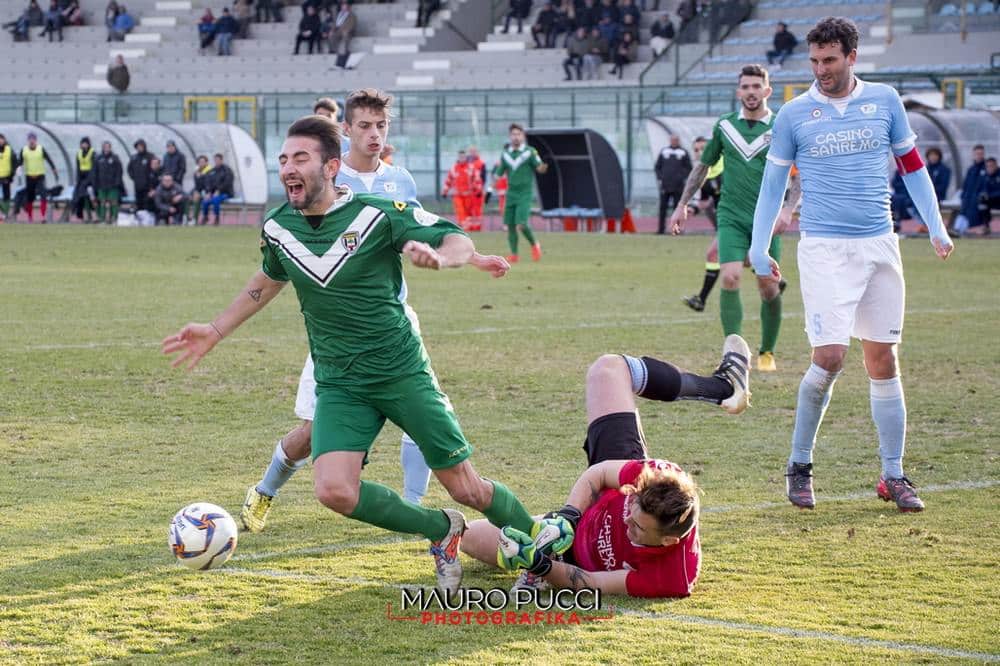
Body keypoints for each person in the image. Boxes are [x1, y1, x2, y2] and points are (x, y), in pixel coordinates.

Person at [163, 115, 537, 595]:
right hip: (339, 381)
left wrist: (446, 258)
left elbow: (454, 237)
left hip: (401, 372)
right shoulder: (278, 226)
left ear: (332, 166)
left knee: (467, 487)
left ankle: (546, 547)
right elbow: (268, 278)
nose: (288, 169)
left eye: (300, 158)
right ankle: (442, 530)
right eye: (283, 160)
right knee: (334, 490)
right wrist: (215, 330)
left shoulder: (377, 212)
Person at [748, 17, 955, 513]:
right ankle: (799, 467)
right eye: (814, 61)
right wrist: (760, 248)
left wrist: (936, 224)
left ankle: (893, 474)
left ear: (852, 57)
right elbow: (773, 186)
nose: (821, 70)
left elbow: (912, 168)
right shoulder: (795, 115)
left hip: (880, 245)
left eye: (830, 61)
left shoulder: (884, 101)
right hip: (823, 249)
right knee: (831, 358)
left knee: (884, 360)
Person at [241, 89, 459, 532]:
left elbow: (427, 231)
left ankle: (413, 507)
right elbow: (286, 238)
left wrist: (466, 257)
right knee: (311, 433)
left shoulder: (401, 181)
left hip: (393, 325)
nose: (374, 133)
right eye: (364, 126)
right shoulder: (328, 181)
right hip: (336, 334)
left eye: (381, 126)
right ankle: (266, 489)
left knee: (431, 416)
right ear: (346, 132)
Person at [461, 335, 751, 596]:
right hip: (591, 505)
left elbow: (591, 582)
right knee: (608, 369)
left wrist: (539, 564)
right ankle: (723, 387)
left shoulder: (671, 578)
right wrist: (567, 518)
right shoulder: (658, 477)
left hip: (572, 558)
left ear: (667, 542)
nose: (625, 522)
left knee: (469, 538)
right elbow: (598, 474)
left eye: (637, 527)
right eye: (631, 509)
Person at [670, 65, 793, 373]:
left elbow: (800, 173)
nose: (751, 92)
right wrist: (683, 203)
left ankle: (767, 352)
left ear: (767, 90)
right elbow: (703, 167)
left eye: (756, 86)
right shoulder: (724, 126)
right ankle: (734, 354)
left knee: (768, 287)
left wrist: (789, 209)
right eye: (745, 87)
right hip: (732, 216)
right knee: (730, 277)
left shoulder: (782, 126)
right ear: (739, 92)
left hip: (766, 220)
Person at [679, 136, 723, 312]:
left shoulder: (727, 166)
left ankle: (701, 300)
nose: (700, 152)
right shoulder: (705, 174)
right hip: (727, 223)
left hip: (739, 220)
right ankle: (776, 281)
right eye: (696, 150)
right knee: (742, 259)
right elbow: (705, 201)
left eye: (703, 148)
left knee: (714, 254)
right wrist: (692, 210)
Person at [493, 123, 548, 262]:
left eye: (518, 134)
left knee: (521, 224)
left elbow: (540, 167)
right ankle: (514, 254)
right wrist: (493, 181)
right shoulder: (506, 154)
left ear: (522, 136)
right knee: (510, 225)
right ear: (510, 136)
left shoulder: (529, 152)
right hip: (511, 193)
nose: (516, 137)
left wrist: (544, 166)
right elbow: (498, 173)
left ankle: (535, 244)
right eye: (513, 134)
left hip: (525, 193)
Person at [654, 135, 691, 235]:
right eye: (672, 140)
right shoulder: (664, 151)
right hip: (665, 185)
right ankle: (660, 230)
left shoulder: (683, 152)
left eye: (676, 140)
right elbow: (657, 167)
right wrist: (661, 177)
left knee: (677, 209)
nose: (674, 141)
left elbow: (688, 168)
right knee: (663, 208)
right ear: (670, 140)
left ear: (678, 141)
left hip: (678, 186)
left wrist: (681, 177)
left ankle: (676, 230)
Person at [19, 131, 59, 223]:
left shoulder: (41, 149)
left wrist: (53, 168)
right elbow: (20, 162)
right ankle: (30, 217)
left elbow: (48, 159)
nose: (32, 141)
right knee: (30, 197)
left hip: (40, 176)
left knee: (43, 195)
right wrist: (18, 168)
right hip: (29, 176)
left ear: (36, 140)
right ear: (28, 140)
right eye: (30, 139)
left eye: (33, 139)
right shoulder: (24, 150)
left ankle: (43, 216)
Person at [442, 150, 481, 231]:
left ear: (466, 157)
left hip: (469, 195)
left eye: (463, 157)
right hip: (457, 195)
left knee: (468, 213)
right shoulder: (454, 168)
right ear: (458, 157)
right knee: (460, 212)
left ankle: (468, 228)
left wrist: (478, 189)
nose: (462, 158)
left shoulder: (471, 167)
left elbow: (477, 179)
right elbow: (448, 181)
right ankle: (464, 228)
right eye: (460, 157)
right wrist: (445, 191)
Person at [955, 144, 987, 235]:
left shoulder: (986, 168)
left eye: (981, 154)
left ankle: (964, 229)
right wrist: (963, 196)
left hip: (979, 198)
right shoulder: (971, 169)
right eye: (977, 154)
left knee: (973, 205)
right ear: (973, 154)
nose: (979, 156)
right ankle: (958, 228)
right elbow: (965, 186)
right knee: (964, 207)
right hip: (968, 197)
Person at [93, 140, 124, 224]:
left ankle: (114, 219)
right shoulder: (98, 158)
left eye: (108, 147)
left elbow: (119, 171)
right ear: (102, 148)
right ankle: (102, 219)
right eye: (105, 147)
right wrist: (95, 184)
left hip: (113, 184)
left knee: (113, 201)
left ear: (110, 148)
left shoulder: (115, 158)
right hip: (101, 185)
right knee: (102, 202)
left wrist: (117, 182)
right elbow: (95, 172)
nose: (106, 148)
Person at [200, 153, 234, 224]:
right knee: (205, 201)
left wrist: (219, 190)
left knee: (216, 200)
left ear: (221, 160)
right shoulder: (212, 171)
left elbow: (227, 183)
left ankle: (217, 218)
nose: (216, 161)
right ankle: (205, 217)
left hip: (226, 193)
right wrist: (208, 192)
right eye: (215, 160)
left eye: (218, 160)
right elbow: (208, 183)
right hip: (213, 193)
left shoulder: (227, 170)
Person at [72, 137, 97, 223]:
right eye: (83, 143)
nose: (84, 145)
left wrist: (89, 180)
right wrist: (78, 180)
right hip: (81, 178)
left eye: (86, 143)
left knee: (91, 197)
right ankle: (80, 217)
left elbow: (94, 168)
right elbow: (78, 167)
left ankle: (94, 216)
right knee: (78, 197)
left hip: (90, 179)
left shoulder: (92, 153)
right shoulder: (78, 153)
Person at [128, 139, 154, 215]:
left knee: (147, 202)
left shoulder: (150, 156)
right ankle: (140, 218)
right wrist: (134, 177)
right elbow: (129, 169)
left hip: (148, 185)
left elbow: (154, 169)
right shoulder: (134, 157)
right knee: (138, 202)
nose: (139, 148)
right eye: (138, 147)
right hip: (137, 185)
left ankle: (147, 218)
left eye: (141, 146)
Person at [327, 1, 355, 68]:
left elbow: (352, 25)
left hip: (347, 31)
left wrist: (347, 30)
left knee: (345, 36)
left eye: (345, 6)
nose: (343, 7)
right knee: (331, 35)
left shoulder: (351, 15)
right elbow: (335, 24)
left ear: (348, 7)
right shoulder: (339, 15)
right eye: (342, 6)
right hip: (339, 31)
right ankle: (333, 50)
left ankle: (344, 52)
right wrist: (332, 30)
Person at [466, 146, 486, 231]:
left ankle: (477, 227)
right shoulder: (465, 162)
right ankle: (469, 227)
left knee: (477, 209)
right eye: (471, 151)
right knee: (468, 209)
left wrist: (480, 189)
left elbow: (483, 178)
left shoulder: (481, 163)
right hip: (468, 191)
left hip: (477, 190)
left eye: (474, 151)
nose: (472, 153)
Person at [0, 134, 18, 221]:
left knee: (7, 196)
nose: (0, 141)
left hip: (6, 177)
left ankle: (5, 214)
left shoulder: (9, 150)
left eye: (1, 139)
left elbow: (15, 163)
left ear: (4, 140)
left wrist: (11, 175)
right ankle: (3, 213)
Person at [189, 154, 212, 224]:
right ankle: (188, 218)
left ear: (206, 162)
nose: (201, 163)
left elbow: (211, 184)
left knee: (200, 199)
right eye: (199, 162)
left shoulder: (211, 171)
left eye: (203, 161)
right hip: (201, 191)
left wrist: (208, 192)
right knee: (188, 198)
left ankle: (196, 218)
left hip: (210, 192)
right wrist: (196, 191)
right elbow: (197, 186)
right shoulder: (196, 172)